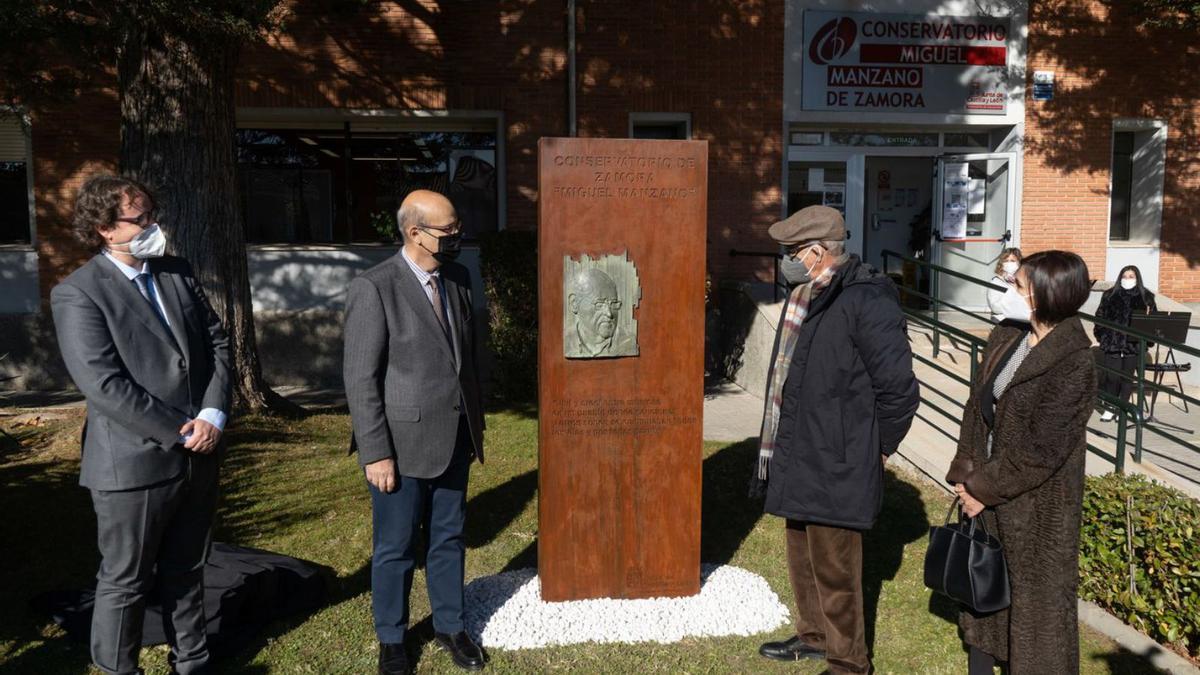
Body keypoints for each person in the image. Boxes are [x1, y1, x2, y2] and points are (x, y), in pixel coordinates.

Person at [51, 175, 231, 675]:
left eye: (152, 213)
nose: (153, 225)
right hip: (132, 464)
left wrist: (213, 414)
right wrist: (181, 430)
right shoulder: (78, 294)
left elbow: (217, 344)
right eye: (141, 217)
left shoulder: (174, 271)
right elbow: (104, 385)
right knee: (125, 582)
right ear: (106, 229)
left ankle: (192, 662)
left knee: (188, 569)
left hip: (201, 450)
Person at [753, 205, 920, 674]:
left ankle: (849, 662)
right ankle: (814, 636)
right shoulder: (809, 295)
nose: (786, 260)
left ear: (818, 252)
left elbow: (900, 391)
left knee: (835, 568)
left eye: (792, 252)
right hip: (803, 451)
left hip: (838, 456)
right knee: (802, 554)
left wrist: (876, 448)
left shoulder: (866, 301)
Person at [343, 189, 487, 674]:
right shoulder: (375, 287)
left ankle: (450, 625)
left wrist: (475, 424)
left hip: (456, 436)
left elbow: (469, 360)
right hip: (400, 449)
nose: (456, 238)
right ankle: (392, 638)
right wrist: (375, 452)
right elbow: (360, 379)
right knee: (396, 545)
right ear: (415, 233)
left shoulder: (460, 279)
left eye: (457, 228)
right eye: (448, 231)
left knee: (448, 538)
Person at [946, 250, 1096, 675]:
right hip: (990, 489)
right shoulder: (1008, 336)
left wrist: (981, 490)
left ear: (1045, 295)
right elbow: (977, 407)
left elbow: (1040, 451)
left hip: (1038, 508)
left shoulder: (1075, 362)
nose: (1007, 291)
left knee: (1035, 612)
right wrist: (966, 475)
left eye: (1017, 285)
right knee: (985, 595)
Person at [1094, 265, 1157, 422]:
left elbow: (1153, 322)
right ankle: (1110, 407)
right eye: (1125, 276)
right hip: (1112, 343)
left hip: (1132, 345)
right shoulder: (1109, 295)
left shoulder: (1146, 297)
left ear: (1137, 278)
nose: (1127, 279)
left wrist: (1146, 342)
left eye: (1131, 276)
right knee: (1112, 377)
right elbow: (1100, 316)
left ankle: (1122, 409)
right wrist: (1102, 336)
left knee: (1127, 379)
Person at [565, 267, 621, 357]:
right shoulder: (563, 341)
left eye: (613, 303)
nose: (609, 313)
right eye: (599, 304)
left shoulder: (629, 342)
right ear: (574, 304)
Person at [986, 248, 1023, 322]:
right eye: (1006, 261)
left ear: (1019, 263)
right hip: (1002, 320)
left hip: (1022, 319)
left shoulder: (1023, 281)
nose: (1009, 264)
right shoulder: (996, 281)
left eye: (1012, 261)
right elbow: (995, 307)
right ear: (1001, 263)